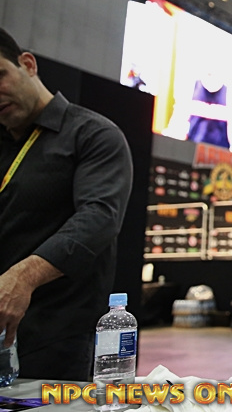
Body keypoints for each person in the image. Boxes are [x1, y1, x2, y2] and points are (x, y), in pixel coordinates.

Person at [0, 27, 133, 380]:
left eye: (0, 76)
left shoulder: (93, 135)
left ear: (28, 64)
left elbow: (99, 217)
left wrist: (22, 278)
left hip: (55, 339)